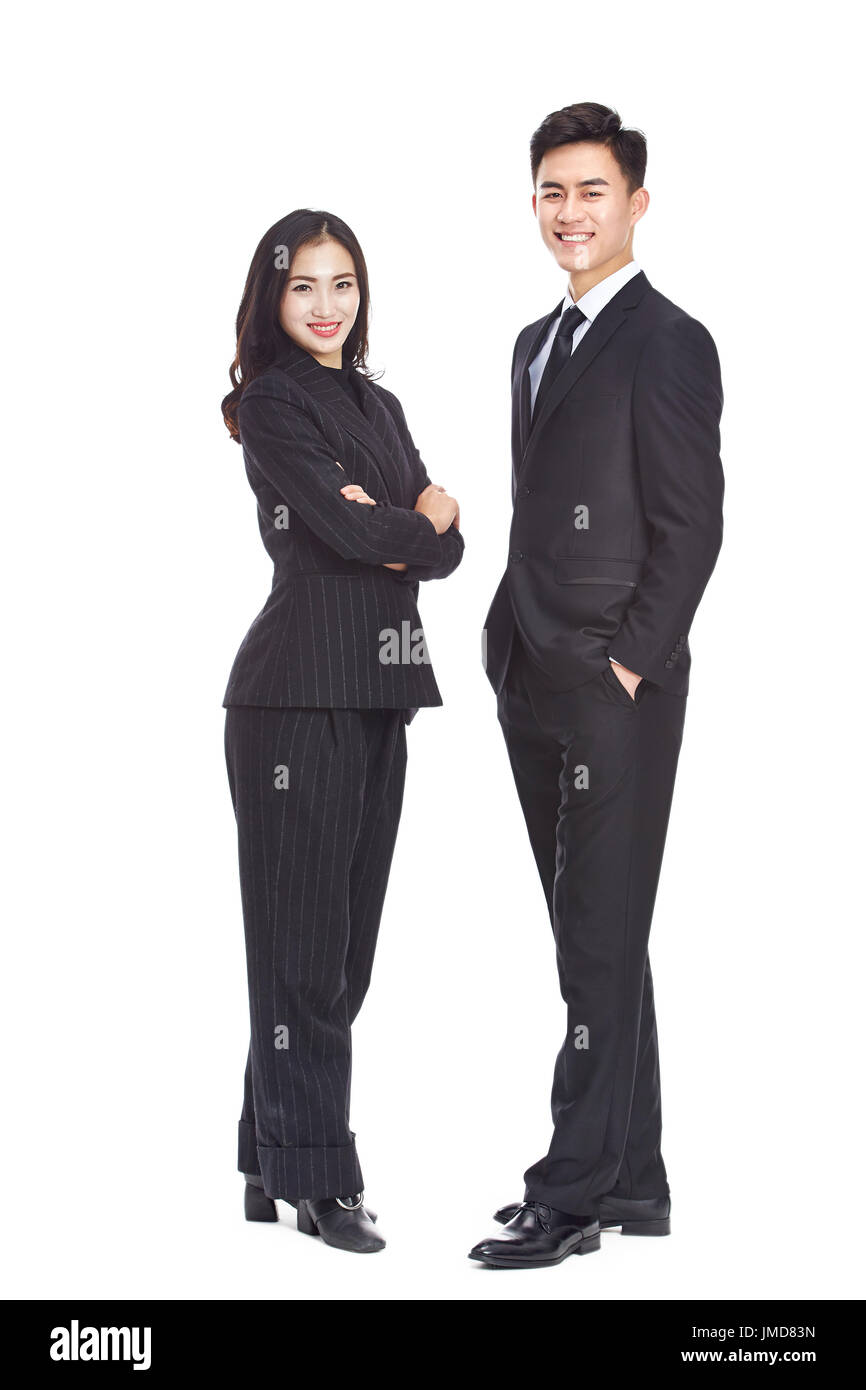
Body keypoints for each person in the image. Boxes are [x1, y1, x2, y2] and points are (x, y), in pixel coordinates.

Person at [470, 103, 724, 1269]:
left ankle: (568, 1193)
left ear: (634, 202)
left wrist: (629, 659)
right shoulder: (533, 341)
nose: (569, 213)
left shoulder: (667, 340)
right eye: (550, 193)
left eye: (590, 191)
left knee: (594, 939)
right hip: (529, 670)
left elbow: (690, 524)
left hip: (615, 687)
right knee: (600, 936)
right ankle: (633, 1177)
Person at [220, 209, 463, 1254]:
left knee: (337, 953)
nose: (325, 306)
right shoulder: (269, 404)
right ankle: (320, 1179)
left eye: (342, 285)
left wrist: (413, 523)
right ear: (271, 301)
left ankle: (263, 1154)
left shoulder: (380, 401)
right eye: (302, 287)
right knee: (304, 953)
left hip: (381, 690)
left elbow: (444, 551)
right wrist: (412, 517)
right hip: (293, 698)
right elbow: (354, 529)